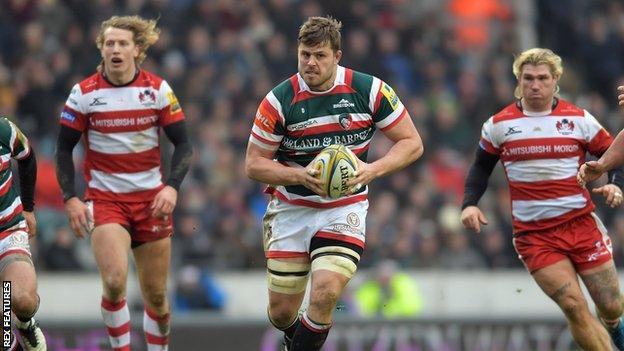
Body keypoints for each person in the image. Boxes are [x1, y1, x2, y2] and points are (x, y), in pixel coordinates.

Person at [244, 16, 423, 351]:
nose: (310, 62)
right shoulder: (279, 101)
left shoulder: (369, 90)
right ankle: (294, 336)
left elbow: (412, 143)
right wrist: (300, 175)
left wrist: (372, 170)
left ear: (337, 56)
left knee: (325, 293)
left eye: (319, 55)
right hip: (291, 209)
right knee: (282, 313)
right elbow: (253, 165)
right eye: (304, 54)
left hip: (344, 207)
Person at [461, 47, 624, 350]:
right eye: (528, 78)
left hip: (581, 227)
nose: (535, 84)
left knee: (612, 307)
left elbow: (614, 155)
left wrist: (615, 184)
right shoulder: (499, 125)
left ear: (555, 80)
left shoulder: (579, 119)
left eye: (542, 78)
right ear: (519, 80)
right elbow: (480, 167)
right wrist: (470, 203)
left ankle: (615, 328)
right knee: (574, 306)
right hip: (535, 236)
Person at [55, 15, 192, 351]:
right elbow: (62, 148)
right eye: (109, 43)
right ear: (102, 50)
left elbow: (184, 144)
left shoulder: (157, 90)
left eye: (122, 43)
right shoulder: (83, 94)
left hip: (151, 202)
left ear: (137, 50)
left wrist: (172, 186)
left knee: (157, 296)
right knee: (115, 282)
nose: (115, 49)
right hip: (105, 201)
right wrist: (71, 198)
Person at [0, 118, 46, 350]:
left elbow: (27, 157)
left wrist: (28, 207)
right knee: (2, 329)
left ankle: (26, 323)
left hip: (8, 232)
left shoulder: (4, 130)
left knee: (21, 299)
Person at [352, 259, 422, 318]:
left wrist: (389, 305)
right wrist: (379, 303)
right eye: (381, 276)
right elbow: (361, 309)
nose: (384, 280)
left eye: (387, 277)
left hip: (402, 322)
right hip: (375, 324)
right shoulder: (370, 286)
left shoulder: (403, 283)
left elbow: (411, 307)